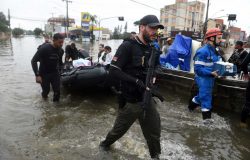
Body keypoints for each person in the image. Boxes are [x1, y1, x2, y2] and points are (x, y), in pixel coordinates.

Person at [99, 15, 164, 159]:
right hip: (131, 100)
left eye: (157, 29)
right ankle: (104, 146)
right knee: (117, 132)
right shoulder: (128, 46)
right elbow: (114, 70)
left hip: (147, 98)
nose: (155, 32)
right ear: (142, 27)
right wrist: (136, 81)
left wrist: (155, 73)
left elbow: (159, 65)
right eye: (152, 28)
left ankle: (155, 156)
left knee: (154, 130)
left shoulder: (153, 47)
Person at [187, 28, 223, 123]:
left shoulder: (215, 51)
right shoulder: (202, 51)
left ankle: (189, 110)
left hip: (211, 78)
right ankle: (207, 125)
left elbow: (218, 64)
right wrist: (210, 73)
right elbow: (197, 69)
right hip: (203, 79)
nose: (221, 40)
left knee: (201, 97)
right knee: (206, 99)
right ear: (211, 38)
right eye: (219, 38)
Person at [31, 33, 64, 102]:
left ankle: (56, 110)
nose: (61, 44)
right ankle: (44, 104)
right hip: (44, 73)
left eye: (62, 42)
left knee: (57, 92)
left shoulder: (61, 50)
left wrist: (61, 71)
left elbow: (60, 62)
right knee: (46, 91)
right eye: (59, 42)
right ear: (54, 40)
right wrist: (37, 75)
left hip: (55, 73)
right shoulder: (44, 48)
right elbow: (33, 61)